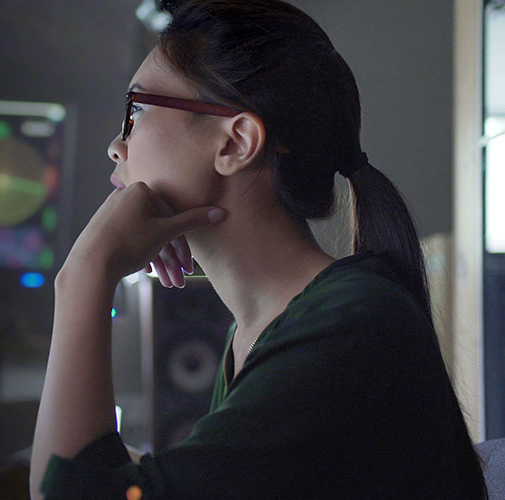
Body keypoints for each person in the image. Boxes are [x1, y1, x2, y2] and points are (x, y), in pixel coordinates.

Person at [29, 0, 488, 498]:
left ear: (235, 143)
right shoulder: (264, 327)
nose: (116, 145)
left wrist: (84, 275)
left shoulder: (350, 325)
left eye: (137, 109)